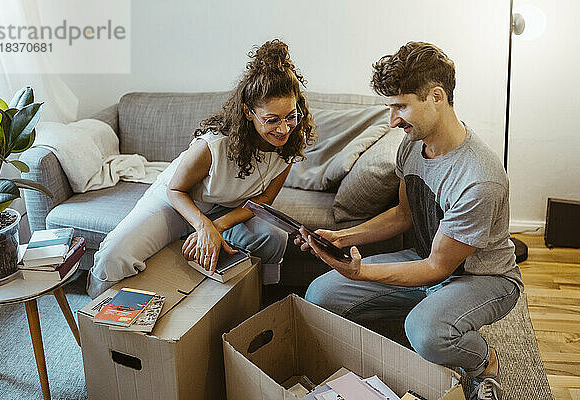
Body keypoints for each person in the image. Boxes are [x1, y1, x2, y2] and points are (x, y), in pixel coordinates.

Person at [296, 42, 522, 400]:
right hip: (427, 259)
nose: (393, 120)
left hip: (481, 278)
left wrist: (359, 273)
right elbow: (403, 214)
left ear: (437, 96)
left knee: (425, 332)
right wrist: (341, 237)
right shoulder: (412, 145)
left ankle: (484, 361)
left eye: (401, 106)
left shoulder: (479, 177)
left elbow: (437, 266)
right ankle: (429, 316)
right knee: (320, 295)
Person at [87, 39, 315, 299]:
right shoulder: (213, 145)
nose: (284, 128)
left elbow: (264, 199)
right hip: (178, 202)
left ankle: (259, 299)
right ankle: (98, 321)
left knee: (275, 238)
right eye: (272, 120)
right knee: (113, 256)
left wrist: (216, 226)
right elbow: (176, 189)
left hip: (228, 207)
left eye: (291, 116)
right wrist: (201, 224)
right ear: (248, 112)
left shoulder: (290, 142)